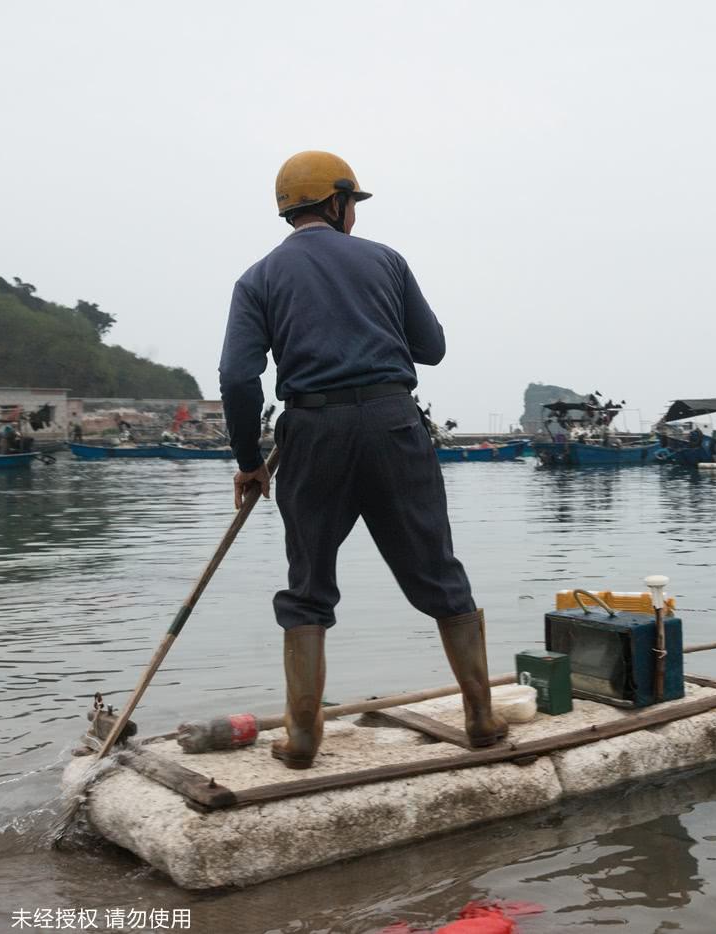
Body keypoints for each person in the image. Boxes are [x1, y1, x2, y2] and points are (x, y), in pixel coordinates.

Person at [218, 150, 506, 770]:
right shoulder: (386, 261)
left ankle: (301, 738)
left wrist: (250, 461)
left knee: (309, 584)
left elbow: (238, 378)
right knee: (437, 570)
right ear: (339, 201)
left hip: (312, 433)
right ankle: (481, 719)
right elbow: (431, 349)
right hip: (393, 423)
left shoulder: (259, 278)